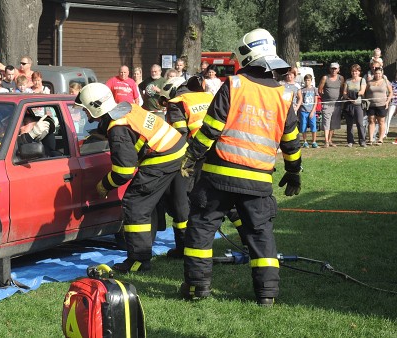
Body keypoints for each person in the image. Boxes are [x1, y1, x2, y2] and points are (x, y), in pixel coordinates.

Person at [180, 28, 302, 306]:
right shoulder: (284, 96)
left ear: (245, 55)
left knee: (201, 227)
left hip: (218, 177)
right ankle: (267, 294)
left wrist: (190, 158)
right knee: (260, 235)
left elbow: (210, 129)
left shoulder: (233, 85)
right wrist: (293, 172)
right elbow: (291, 143)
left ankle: (197, 288)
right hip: (258, 181)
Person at [75, 82, 187, 273]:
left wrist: (104, 185)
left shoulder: (117, 129)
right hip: (178, 149)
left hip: (161, 158)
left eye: (85, 110)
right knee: (177, 204)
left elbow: (124, 172)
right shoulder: (127, 107)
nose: (84, 114)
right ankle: (186, 248)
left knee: (136, 205)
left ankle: (139, 260)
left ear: (95, 108)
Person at [158, 75, 212, 258]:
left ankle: (183, 247)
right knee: (226, 199)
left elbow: (179, 134)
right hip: (220, 152)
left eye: (165, 102)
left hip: (195, 155)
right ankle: (247, 242)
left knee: (181, 199)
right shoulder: (207, 96)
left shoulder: (177, 102)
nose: (166, 105)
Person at [364, 66, 392, 145]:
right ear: (374, 73)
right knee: (371, 121)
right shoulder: (369, 82)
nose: (378, 75)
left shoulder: (386, 81)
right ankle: (371, 139)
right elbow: (365, 91)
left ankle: (380, 139)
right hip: (371, 105)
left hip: (382, 105)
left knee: (381, 122)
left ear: (382, 73)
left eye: (379, 73)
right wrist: (365, 100)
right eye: (376, 73)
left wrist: (387, 101)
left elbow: (391, 92)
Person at [318, 62, 344, 147]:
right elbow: (320, 90)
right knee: (326, 122)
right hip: (327, 103)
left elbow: (342, 90)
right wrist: (325, 98)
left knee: (333, 123)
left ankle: (330, 140)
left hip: (337, 104)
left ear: (338, 70)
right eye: (332, 68)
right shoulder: (325, 78)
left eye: (335, 68)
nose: (334, 70)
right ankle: (326, 141)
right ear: (330, 69)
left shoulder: (341, 78)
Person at [342, 64, 367, 147]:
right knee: (349, 124)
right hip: (349, 104)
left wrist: (355, 96)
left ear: (359, 72)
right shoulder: (348, 81)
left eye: (356, 71)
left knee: (360, 123)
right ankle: (350, 141)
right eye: (353, 71)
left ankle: (362, 141)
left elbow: (362, 91)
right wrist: (349, 98)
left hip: (358, 105)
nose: (354, 73)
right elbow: (344, 93)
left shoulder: (362, 80)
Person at [298, 74, 319, 148]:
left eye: (308, 80)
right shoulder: (302, 90)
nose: (307, 82)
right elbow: (300, 99)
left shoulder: (314, 89)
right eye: (306, 80)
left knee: (313, 127)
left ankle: (314, 142)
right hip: (303, 111)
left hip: (312, 111)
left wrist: (313, 111)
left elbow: (316, 101)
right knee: (303, 126)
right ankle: (305, 142)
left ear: (311, 81)